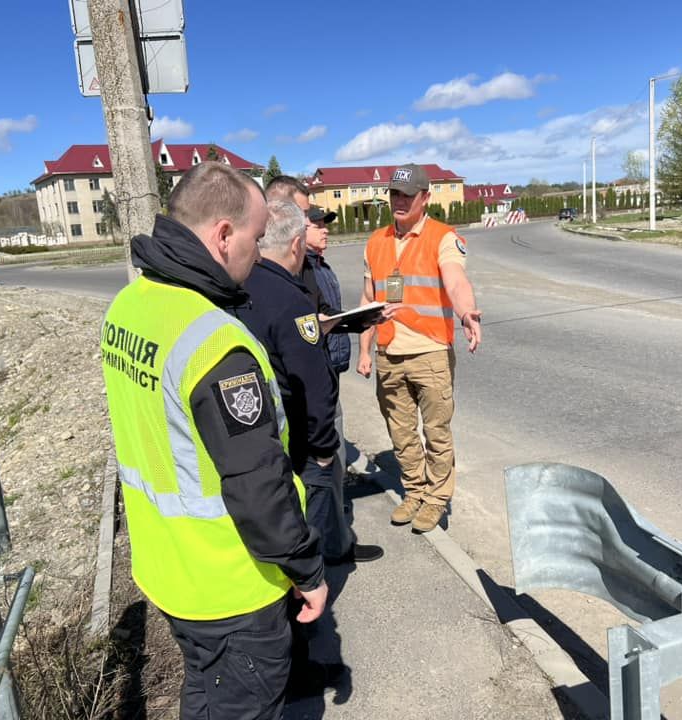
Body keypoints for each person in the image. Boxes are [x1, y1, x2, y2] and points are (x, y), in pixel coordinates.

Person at [100, 162, 327, 720]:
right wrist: (308, 571)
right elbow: (258, 484)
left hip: (168, 570)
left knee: (204, 693)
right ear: (224, 235)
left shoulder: (130, 305)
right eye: (253, 237)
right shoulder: (214, 343)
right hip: (232, 588)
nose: (258, 252)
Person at [238, 200, 381, 565]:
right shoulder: (290, 299)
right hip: (300, 438)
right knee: (309, 524)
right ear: (297, 243)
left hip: (263, 432)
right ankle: (310, 594)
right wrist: (323, 451)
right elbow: (312, 383)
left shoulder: (240, 285)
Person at [357, 163, 482, 533]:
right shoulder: (375, 241)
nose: (399, 201)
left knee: (437, 433)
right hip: (389, 353)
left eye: (407, 195)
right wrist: (365, 350)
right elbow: (369, 298)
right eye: (394, 194)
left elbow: (455, 279)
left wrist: (466, 312)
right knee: (401, 431)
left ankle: (436, 500)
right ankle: (414, 491)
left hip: (430, 353)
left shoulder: (443, 238)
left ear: (424, 198)